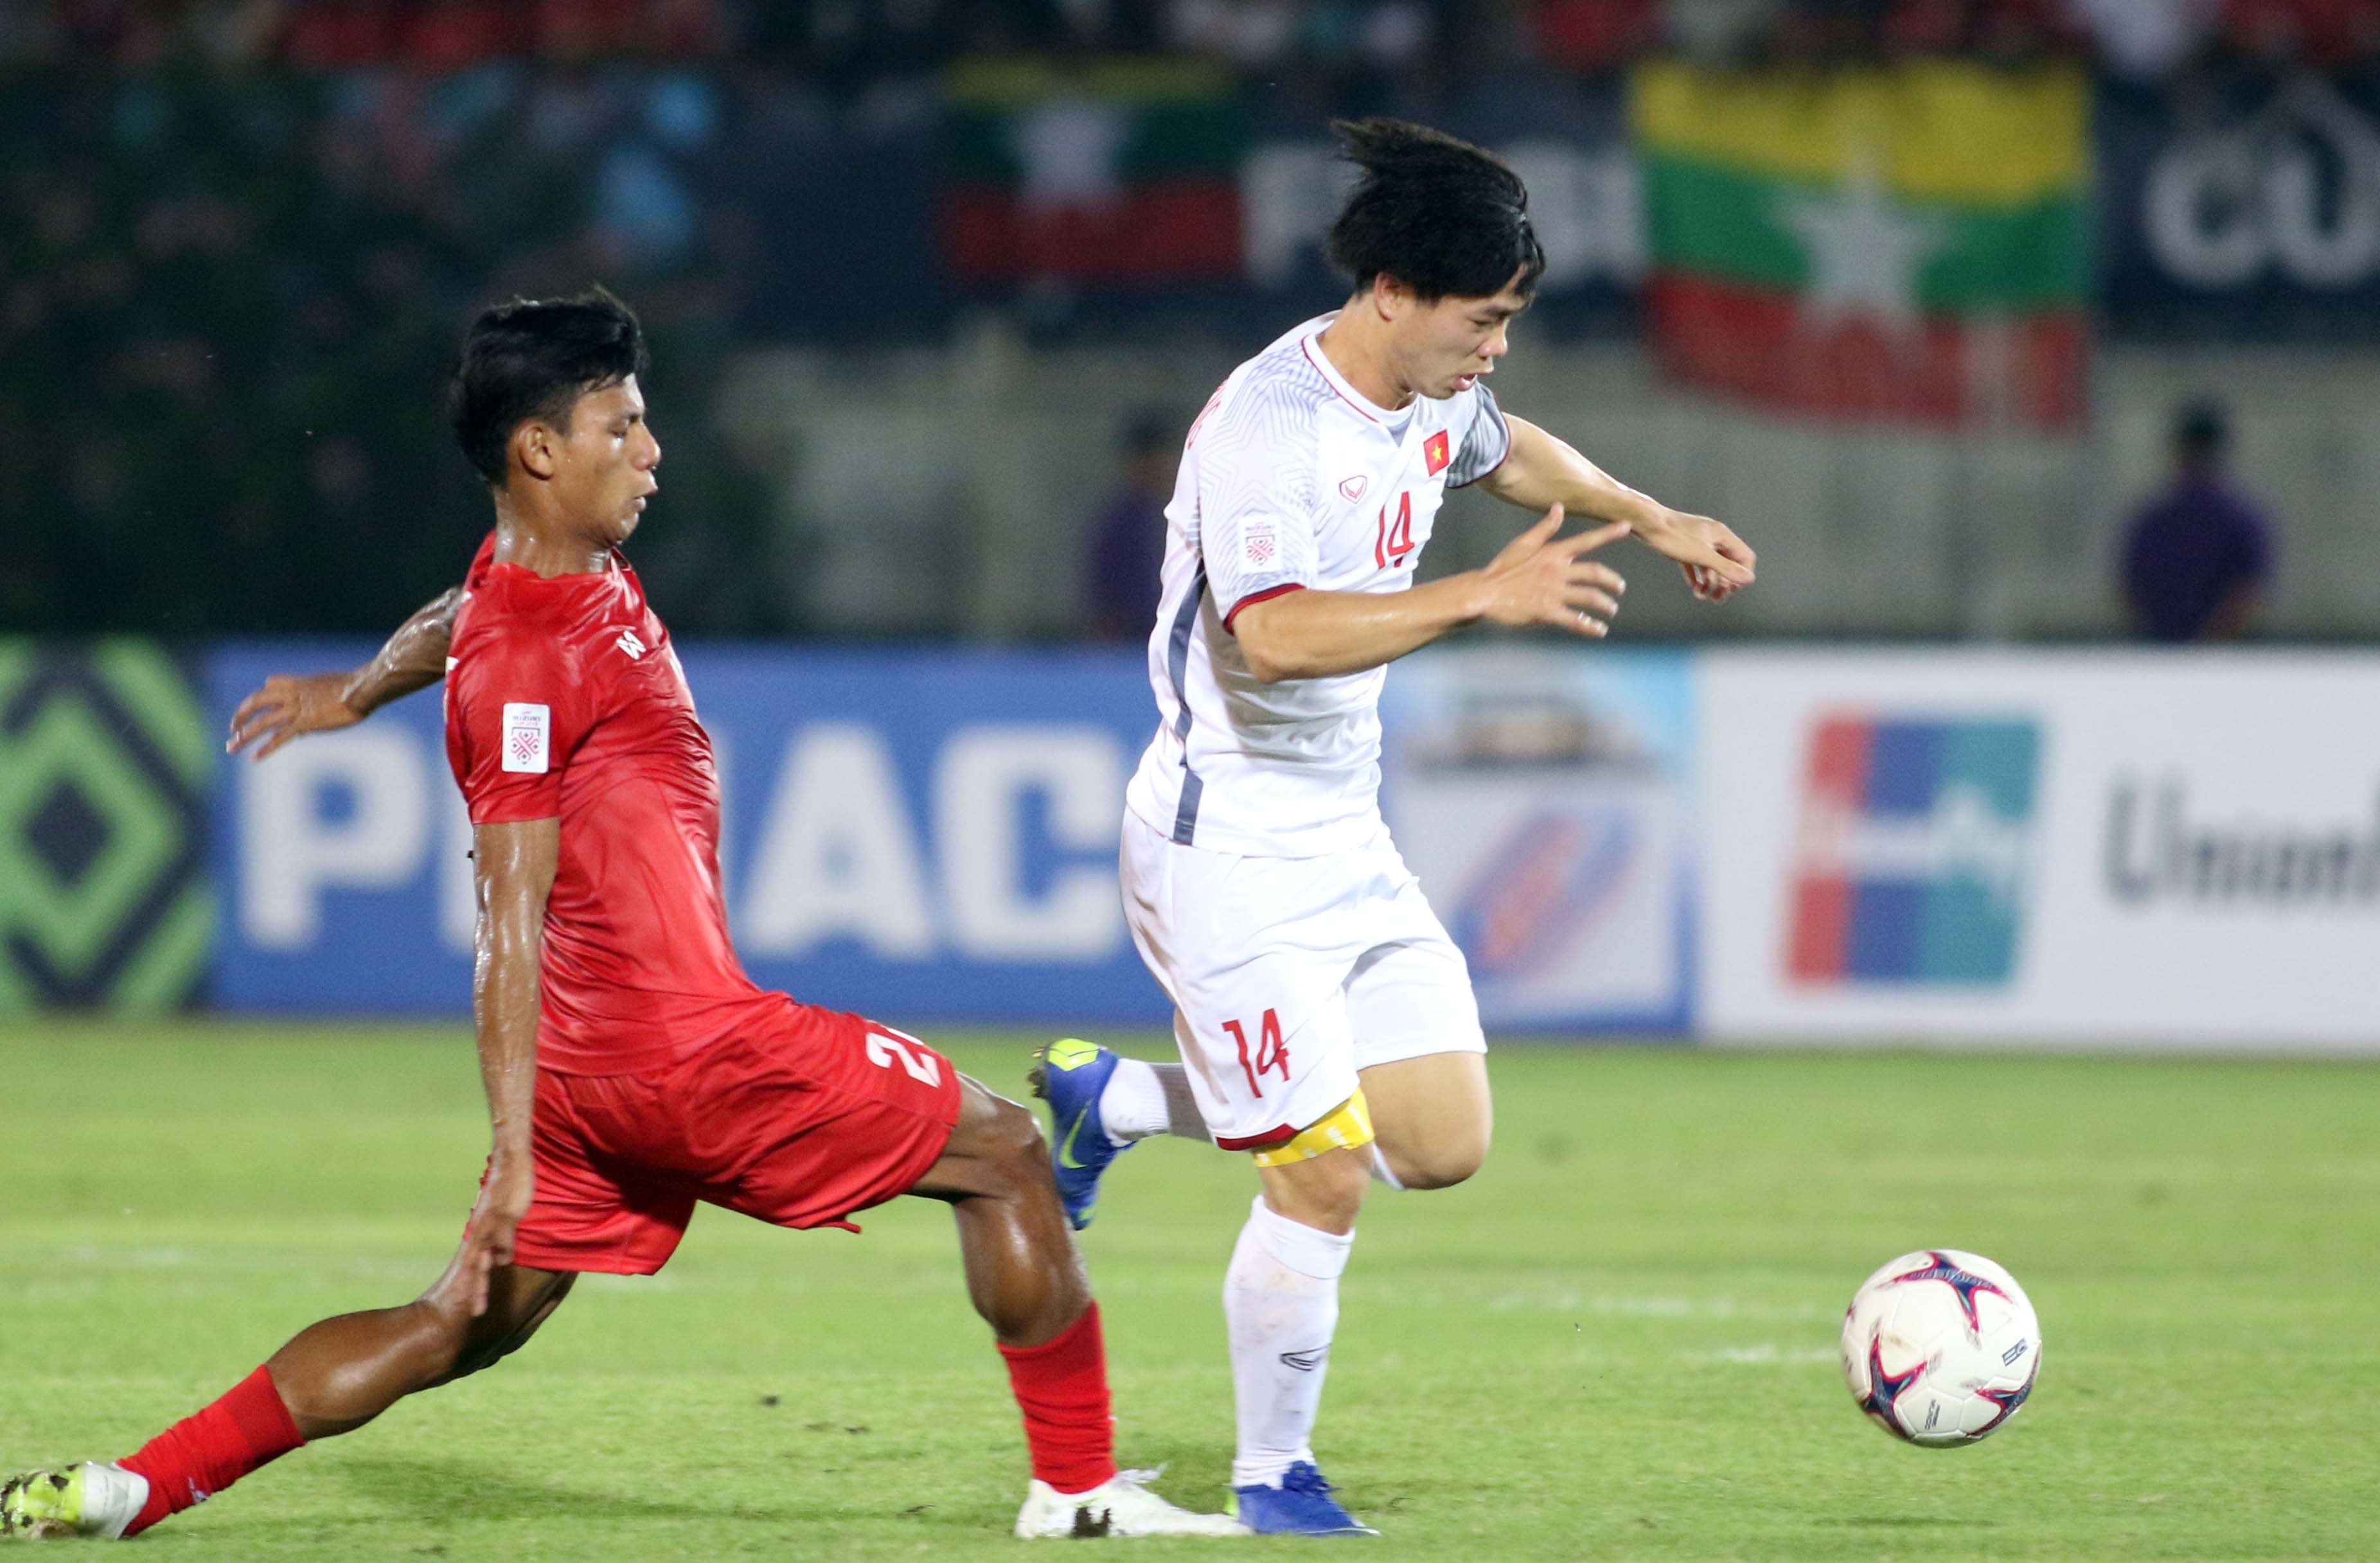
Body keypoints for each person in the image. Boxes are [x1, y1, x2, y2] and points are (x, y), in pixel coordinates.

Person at [1, 288, 1238, 1544]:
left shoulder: (527, 574)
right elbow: (507, 912)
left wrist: (360, 689)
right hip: (686, 1052)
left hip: (588, 1078)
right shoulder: (527, 664)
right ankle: (1077, 1491)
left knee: (452, 1322)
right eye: (622, 425)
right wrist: (509, 1147)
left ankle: (132, 1485)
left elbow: (456, 614)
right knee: (1010, 1157)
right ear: (539, 449)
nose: (650, 450)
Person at [1027, 119, 1757, 1537]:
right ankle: (1272, 1476)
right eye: (1481, 320)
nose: (1495, 347)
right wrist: (1475, 597)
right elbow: (1274, 635)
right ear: (1391, 293)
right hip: (1225, 841)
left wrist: (1646, 511)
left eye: (1507, 320)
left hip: (1344, 836)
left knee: (1437, 1140)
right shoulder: (1269, 428)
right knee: (1320, 1169)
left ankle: (1112, 1101)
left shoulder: (1432, 390)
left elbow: (1504, 450)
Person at [2120, 400, 2273, 643]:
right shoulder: (2241, 521)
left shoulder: (2153, 521)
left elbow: (2129, 593)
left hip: (2162, 649)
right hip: (2216, 652)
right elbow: (2248, 595)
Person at [1081, 411, 1177, 640]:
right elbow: (1102, 603)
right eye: (1149, 461)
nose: (1157, 469)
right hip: (1131, 648)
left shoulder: (1186, 516)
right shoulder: (1118, 525)